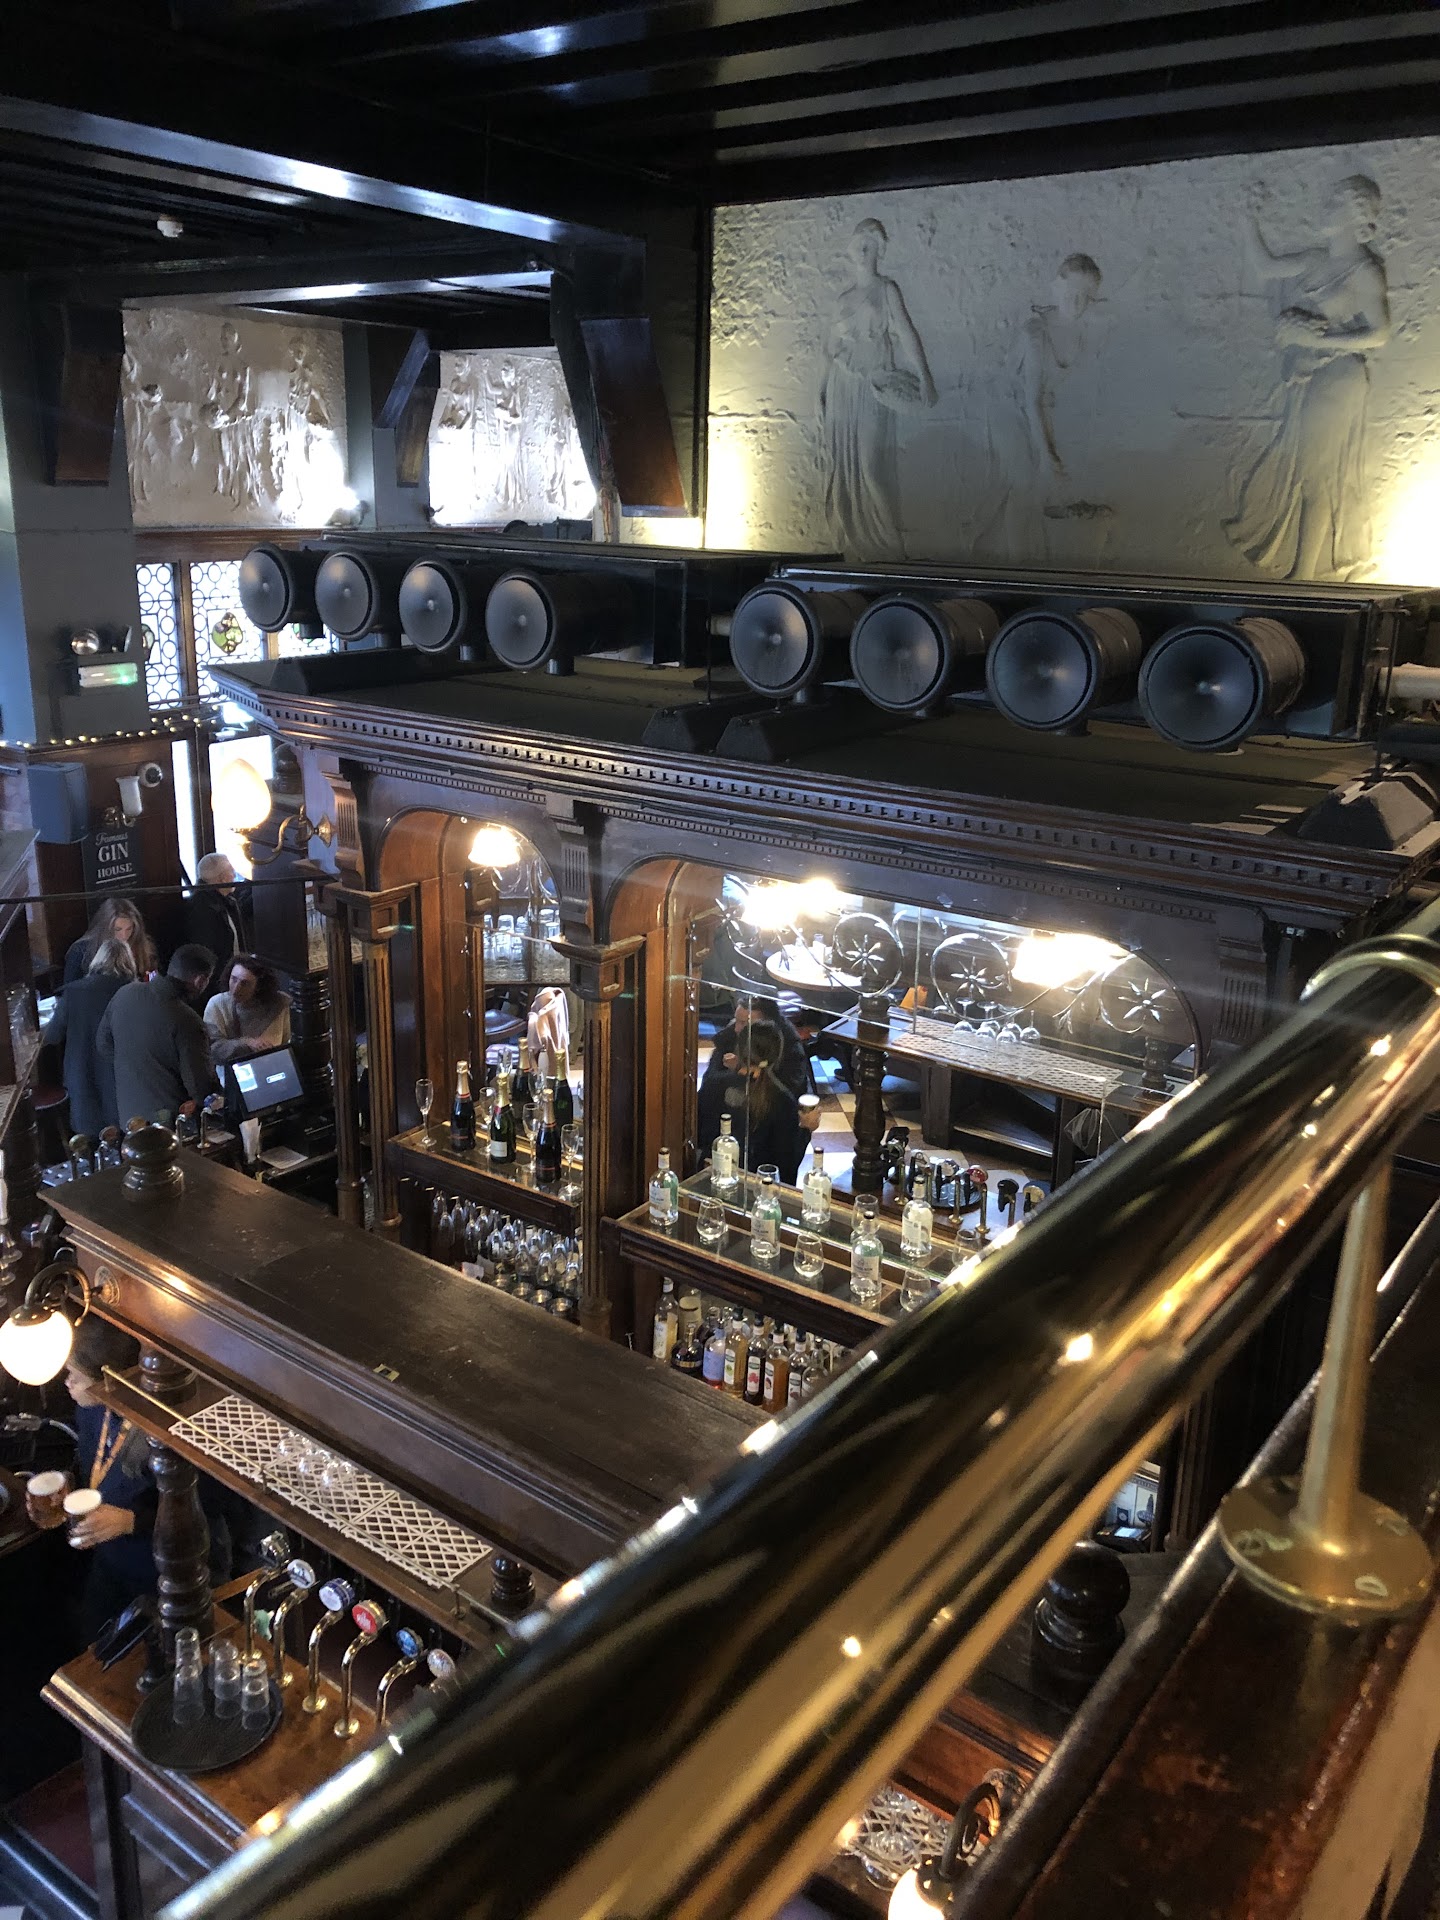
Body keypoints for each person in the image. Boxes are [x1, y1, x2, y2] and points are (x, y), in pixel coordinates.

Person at [26, 1317, 240, 1642]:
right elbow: (96, 1463)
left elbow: (212, 1505)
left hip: (168, 1571)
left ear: (109, 1382)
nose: (67, 1383)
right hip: (112, 1559)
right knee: (94, 1643)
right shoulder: (91, 1409)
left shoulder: (165, 1430)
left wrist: (131, 1521)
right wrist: (72, 1483)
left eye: (76, 1376)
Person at [1224, 176, 1390, 581]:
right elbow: (1266, 267)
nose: (1325, 208)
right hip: (1310, 374)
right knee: (1304, 470)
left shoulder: (1364, 271)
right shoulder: (1316, 259)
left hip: (1339, 377)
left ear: (1355, 215)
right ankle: (1303, 571)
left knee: (1316, 473)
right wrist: (1248, 221)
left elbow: (1380, 333)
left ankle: (1304, 574)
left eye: (1334, 203)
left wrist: (1319, 340)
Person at [819, 217, 936, 559]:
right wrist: (818, 393)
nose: (863, 251)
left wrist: (925, 376)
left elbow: (907, 333)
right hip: (842, 386)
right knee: (844, 468)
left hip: (874, 383)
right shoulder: (842, 300)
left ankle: (894, 549)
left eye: (869, 245)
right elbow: (828, 349)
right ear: (851, 249)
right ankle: (855, 546)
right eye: (859, 244)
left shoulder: (886, 290)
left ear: (879, 251)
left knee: (871, 467)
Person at [97, 944, 216, 1128]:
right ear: (200, 980)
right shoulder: (188, 1020)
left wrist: (136, 1067)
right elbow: (199, 1086)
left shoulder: (124, 994)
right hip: (170, 1123)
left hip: (129, 1115)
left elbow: (103, 1044)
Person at [697, 1021, 814, 1186]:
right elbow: (787, 1164)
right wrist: (807, 1129)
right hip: (757, 1186)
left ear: (739, 1049)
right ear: (777, 1054)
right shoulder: (782, 1099)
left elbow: (699, 1132)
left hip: (711, 1177)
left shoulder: (714, 1083)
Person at [42, 937, 135, 1137]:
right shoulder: (132, 993)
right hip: (122, 1077)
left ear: (97, 960)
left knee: (88, 1141)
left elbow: (53, 1036)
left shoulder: (74, 992)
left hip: (82, 1073)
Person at [704, 995, 811, 1102]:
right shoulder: (731, 1035)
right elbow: (708, 1083)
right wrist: (739, 1074)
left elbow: (791, 1095)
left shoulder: (791, 1048)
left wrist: (742, 1070)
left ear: (765, 1026)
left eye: (744, 1023)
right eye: (736, 1020)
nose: (736, 1028)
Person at [204, 953, 292, 1065]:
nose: (236, 989)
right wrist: (246, 1043)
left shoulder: (280, 1004)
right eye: (234, 979)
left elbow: (288, 1045)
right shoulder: (217, 1004)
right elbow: (212, 1050)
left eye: (245, 984)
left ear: (259, 986)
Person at [184, 852, 251, 987]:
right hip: (216, 982)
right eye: (231, 871)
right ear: (222, 879)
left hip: (230, 975)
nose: (234, 875)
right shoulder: (202, 909)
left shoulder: (226, 900)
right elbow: (207, 952)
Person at [61, 897, 154, 986]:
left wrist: (148, 982)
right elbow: (70, 988)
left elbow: (153, 977)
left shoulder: (143, 946)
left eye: (129, 929)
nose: (124, 936)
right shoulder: (80, 951)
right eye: (117, 929)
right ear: (105, 928)